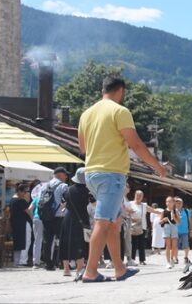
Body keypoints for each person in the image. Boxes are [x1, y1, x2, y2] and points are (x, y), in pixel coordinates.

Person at [78, 75, 167, 282]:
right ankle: (90, 271)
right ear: (120, 92)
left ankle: (119, 268)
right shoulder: (120, 111)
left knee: (114, 221)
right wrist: (157, 166)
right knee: (102, 222)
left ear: (103, 90)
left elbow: (83, 147)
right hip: (111, 174)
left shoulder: (86, 114)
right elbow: (135, 144)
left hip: (91, 172)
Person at [60, 168, 90, 278]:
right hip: (82, 218)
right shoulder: (88, 191)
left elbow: (63, 203)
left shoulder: (67, 190)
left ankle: (66, 269)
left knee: (66, 242)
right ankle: (79, 269)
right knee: (81, 242)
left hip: (68, 218)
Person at [41, 167, 70, 271]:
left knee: (47, 241)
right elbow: (67, 201)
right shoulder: (63, 186)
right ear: (60, 175)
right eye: (65, 174)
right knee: (62, 240)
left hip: (46, 216)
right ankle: (63, 263)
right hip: (59, 217)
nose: (67, 177)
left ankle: (48, 264)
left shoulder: (44, 186)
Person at [10, 183, 33, 266]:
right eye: (24, 192)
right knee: (26, 242)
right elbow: (28, 212)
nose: (25, 194)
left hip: (15, 224)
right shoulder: (21, 201)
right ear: (19, 191)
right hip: (24, 223)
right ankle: (23, 260)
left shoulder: (12, 200)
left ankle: (16, 261)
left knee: (17, 242)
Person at [129, 190, 153, 265]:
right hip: (133, 226)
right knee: (133, 244)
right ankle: (131, 259)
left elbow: (152, 210)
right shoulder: (130, 204)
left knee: (141, 244)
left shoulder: (144, 205)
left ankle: (142, 260)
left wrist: (163, 213)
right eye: (137, 195)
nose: (138, 197)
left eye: (140, 195)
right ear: (135, 195)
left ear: (142, 197)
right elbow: (126, 212)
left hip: (142, 226)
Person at [27, 180, 44, 268]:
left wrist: (32, 217)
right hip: (44, 219)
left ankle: (35, 262)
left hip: (36, 219)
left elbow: (30, 209)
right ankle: (48, 260)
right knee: (49, 240)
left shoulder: (36, 198)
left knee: (37, 241)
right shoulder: (46, 197)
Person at [160, 196, 180, 269]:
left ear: (173, 203)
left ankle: (172, 258)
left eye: (170, 201)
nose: (168, 203)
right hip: (166, 228)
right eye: (167, 201)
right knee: (168, 246)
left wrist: (174, 217)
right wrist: (163, 220)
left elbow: (178, 222)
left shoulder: (176, 211)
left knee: (174, 246)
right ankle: (168, 262)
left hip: (174, 227)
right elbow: (160, 222)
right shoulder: (163, 211)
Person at [175, 197, 192, 266]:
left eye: (179, 203)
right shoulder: (173, 211)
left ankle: (186, 257)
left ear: (182, 204)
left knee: (186, 245)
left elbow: (190, 221)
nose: (178, 204)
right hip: (175, 231)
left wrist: (191, 230)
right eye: (176, 203)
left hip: (185, 232)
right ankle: (176, 258)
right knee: (175, 246)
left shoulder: (187, 211)